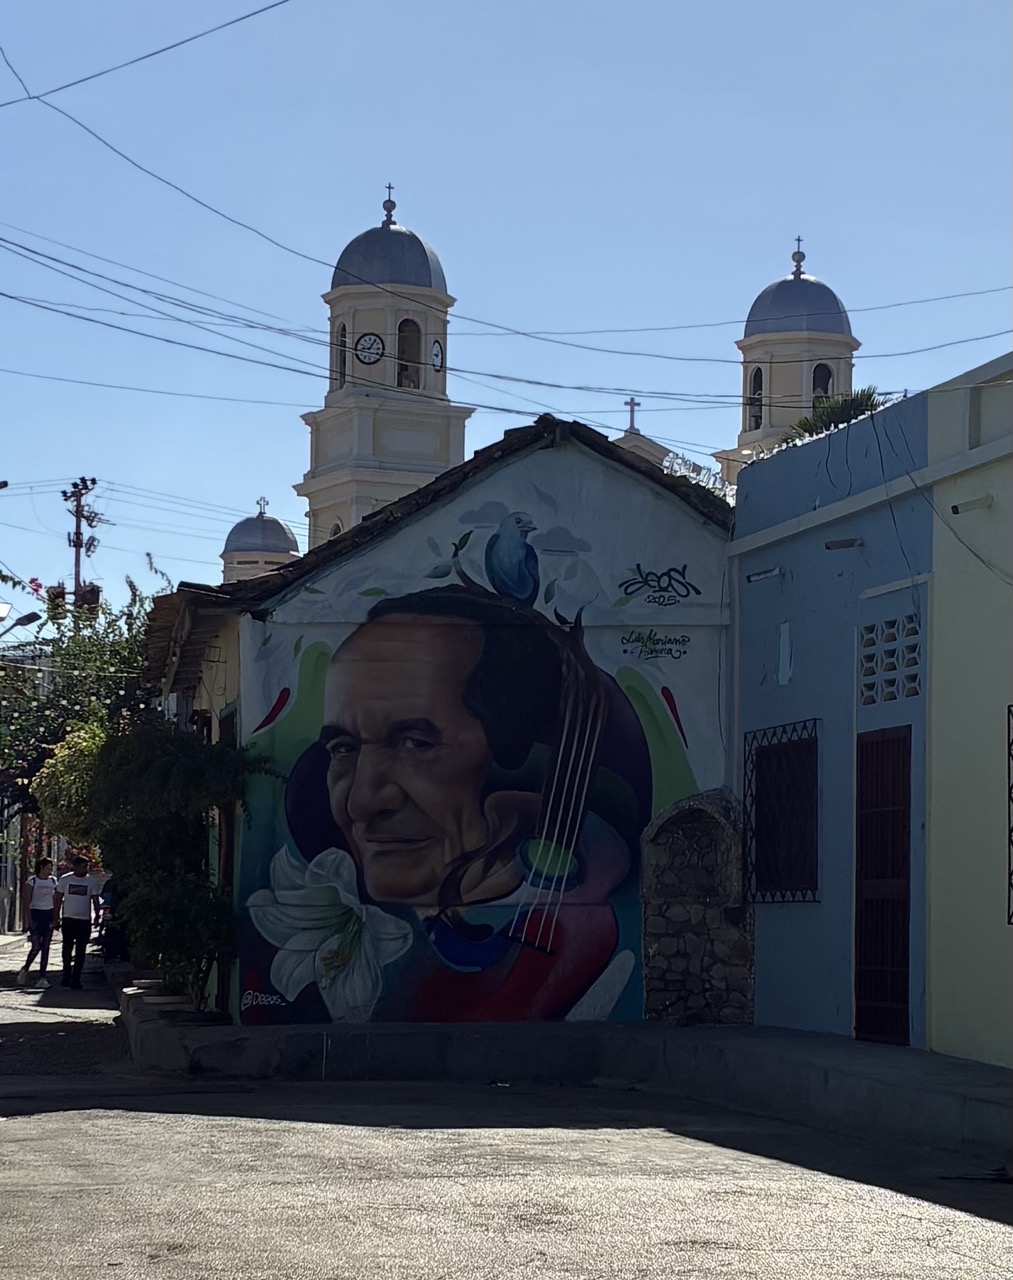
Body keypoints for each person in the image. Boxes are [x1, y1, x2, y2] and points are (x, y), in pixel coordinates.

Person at [53, 855, 100, 990]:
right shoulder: (65, 880)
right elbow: (58, 899)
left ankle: (76, 978)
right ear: (75, 867)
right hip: (68, 919)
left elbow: (95, 900)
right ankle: (66, 975)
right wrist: (56, 917)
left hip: (84, 920)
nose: (85, 869)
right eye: (82, 867)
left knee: (81, 950)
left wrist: (97, 916)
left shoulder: (91, 881)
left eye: (86, 867)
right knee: (67, 948)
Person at [16, 857, 58, 988]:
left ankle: (42, 977)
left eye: (51, 868)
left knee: (46, 947)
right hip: (36, 914)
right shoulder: (32, 882)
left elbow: (56, 900)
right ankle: (25, 968)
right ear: (41, 868)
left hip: (48, 914)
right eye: (47, 868)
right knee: (36, 946)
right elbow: (26, 902)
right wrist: (28, 920)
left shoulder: (53, 881)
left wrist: (56, 918)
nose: (50, 871)